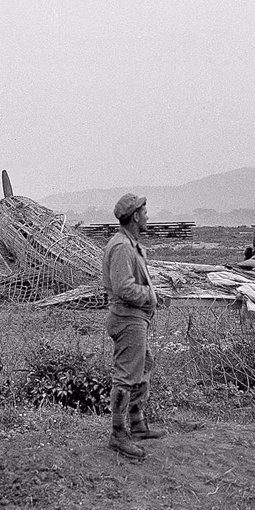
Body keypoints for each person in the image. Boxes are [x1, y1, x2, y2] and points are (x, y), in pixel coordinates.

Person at [102, 193, 167, 460]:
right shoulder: (122, 248)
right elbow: (123, 288)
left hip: (135, 318)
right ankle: (118, 435)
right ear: (136, 217)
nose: (148, 216)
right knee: (126, 377)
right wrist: (151, 296)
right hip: (128, 318)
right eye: (145, 212)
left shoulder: (131, 245)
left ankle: (138, 425)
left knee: (144, 366)